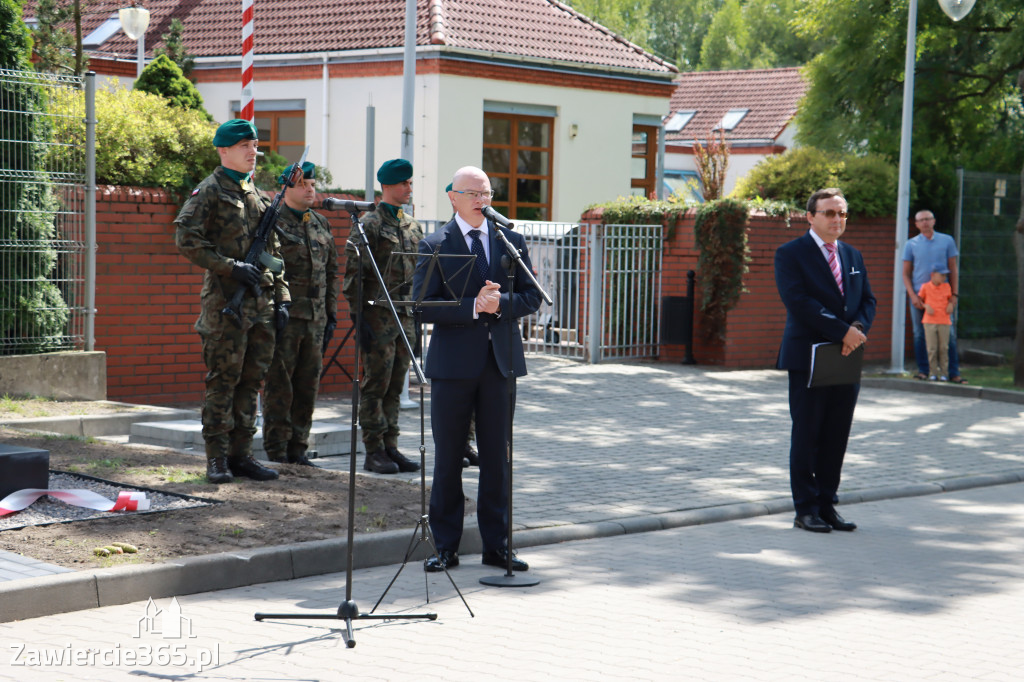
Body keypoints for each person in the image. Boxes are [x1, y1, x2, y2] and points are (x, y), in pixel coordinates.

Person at [412, 166, 542, 572]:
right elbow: (420, 306)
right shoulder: (435, 243)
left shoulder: (510, 241)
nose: (482, 201)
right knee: (449, 457)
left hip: (500, 365)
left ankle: (497, 546)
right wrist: (472, 306)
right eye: (473, 193)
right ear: (453, 196)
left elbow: (531, 297)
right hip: (452, 367)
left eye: (487, 193)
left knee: (498, 458)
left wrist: (501, 304)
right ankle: (446, 546)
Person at [174, 119, 289, 484]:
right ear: (224, 150)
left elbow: (273, 250)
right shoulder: (209, 190)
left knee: (251, 382)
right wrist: (229, 267)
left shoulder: (256, 192)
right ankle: (217, 459)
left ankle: (242, 456)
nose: (253, 152)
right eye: (245, 146)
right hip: (227, 305)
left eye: (254, 145)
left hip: (261, 304)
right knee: (223, 382)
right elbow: (186, 239)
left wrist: (282, 296)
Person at [774, 188, 876, 533]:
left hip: (846, 357)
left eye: (842, 213)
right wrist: (840, 331)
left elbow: (868, 301)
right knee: (808, 433)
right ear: (811, 216)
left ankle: (827, 504)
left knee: (836, 434)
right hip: (809, 356)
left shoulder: (853, 255)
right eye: (830, 213)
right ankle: (805, 509)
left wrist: (856, 330)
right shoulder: (790, 254)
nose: (837, 219)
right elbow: (798, 301)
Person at [342, 159, 423, 475]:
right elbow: (353, 277)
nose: (408, 188)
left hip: (404, 318)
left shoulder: (412, 226)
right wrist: (358, 318)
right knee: (376, 385)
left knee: (396, 386)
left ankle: (391, 446)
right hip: (378, 318)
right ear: (387, 186)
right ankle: (373, 450)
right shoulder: (370, 224)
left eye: (410, 182)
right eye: (403, 183)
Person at [262, 161, 339, 465]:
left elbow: (332, 271)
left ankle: (299, 447)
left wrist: (331, 312)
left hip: (315, 319)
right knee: (281, 387)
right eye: (303, 184)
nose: (310, 189)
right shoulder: (272, 220)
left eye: (313, 184)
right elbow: (266, 266)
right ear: (288, 187)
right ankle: (277, 450)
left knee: (308, 385)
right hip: (285, 318)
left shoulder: (320, 222)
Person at [902, 210, 967, 383]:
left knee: (949, 335)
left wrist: (954, 294)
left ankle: (953, 373)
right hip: (920, 298)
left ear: (934, 221)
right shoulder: (911, 244)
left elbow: (953, 269)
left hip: (943, 299)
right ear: (916, 224)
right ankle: (924, 371)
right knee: (919, 334)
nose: (924, 222)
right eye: (920, 220)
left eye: (927, 219)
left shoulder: (947, 241)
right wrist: (913, 296)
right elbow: (905, 273)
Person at [918, 266, 954, 381]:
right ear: (933, 275)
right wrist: (925, 306)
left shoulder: (946, 286)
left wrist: (951, 304)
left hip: (944, 321)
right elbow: (919, 299)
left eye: (945, 275)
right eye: (942, 275)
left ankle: (944, 373)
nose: (944, 277)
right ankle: (933, 373)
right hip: (929, 321)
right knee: (932, 348)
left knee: (943, 348)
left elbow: (951, 299)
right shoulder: (925, 287)